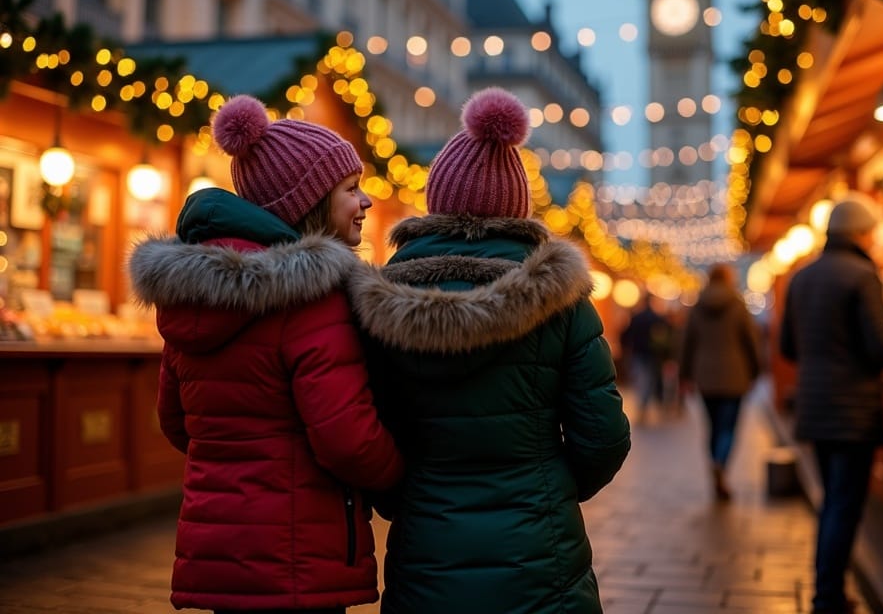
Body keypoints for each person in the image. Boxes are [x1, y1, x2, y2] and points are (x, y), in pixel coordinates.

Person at [347, 86, 631, 614]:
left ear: (436, 199)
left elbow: (369, 425)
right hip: (541, 552)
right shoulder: (562, 301)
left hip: (428, 544)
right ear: (517, 206)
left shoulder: (378, 303)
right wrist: (552, 487)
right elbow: (604, 435)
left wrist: (403, 496)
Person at [129, 94, 404, 614]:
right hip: (297, 553)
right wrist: (399, 477)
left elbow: (175, 422)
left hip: (219, 549)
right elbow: (347, 438)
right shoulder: (310, 298)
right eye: (351, 189)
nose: (366, 201)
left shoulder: (191, 294)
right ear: (308, 203)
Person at [780, 192, 883, 614]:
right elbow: (879, 347)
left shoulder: (801, 277)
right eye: (871, 232)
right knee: (844, 503)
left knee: (832, 499)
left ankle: (829, 590)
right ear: (858, 232)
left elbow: (787, 345)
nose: (874, 240)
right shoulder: (861, 274)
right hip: (853, 408)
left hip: (815, 408)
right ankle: (828, 596)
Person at [680, 263, 761, 500]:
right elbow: (751, 340)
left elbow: (687, 342)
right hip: (735, 375)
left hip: (704, 376)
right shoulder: (737, 305)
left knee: (713, 426)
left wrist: (684, 375)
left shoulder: (697, 305)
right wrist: (756, 370)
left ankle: (715, 462)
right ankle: (721, 463)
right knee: (728, 426)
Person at [619, 291, 671, 424]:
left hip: (637, 353)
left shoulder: (636, 317)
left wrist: (625, 348)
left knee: (641, 379)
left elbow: (625, 334)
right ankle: (645, 404)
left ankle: (643, 405)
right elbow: (664, 338)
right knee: (650, 380)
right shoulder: (656, 318)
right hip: (652, 354)